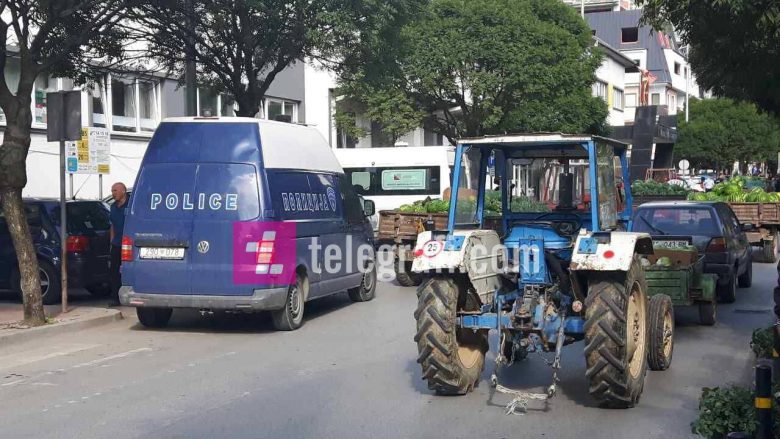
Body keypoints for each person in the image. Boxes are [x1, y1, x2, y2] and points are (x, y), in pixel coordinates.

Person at [108, 182, 130, 307]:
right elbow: (112, 225)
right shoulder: (113, 207)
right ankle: (115, 298)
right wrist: (112, 241)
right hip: (117, 244)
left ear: (123, 191)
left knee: (127, 271)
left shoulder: (131, 205)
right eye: (112, 191)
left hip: (129, 244)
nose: (113, 193)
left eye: (115, 190)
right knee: (114, 272)